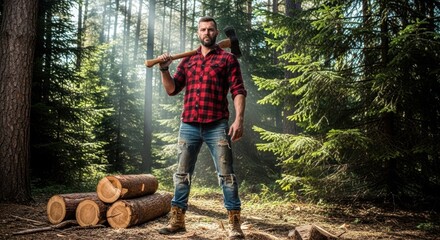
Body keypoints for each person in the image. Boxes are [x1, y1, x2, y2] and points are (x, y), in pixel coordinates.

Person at [156, 16, 247, 239]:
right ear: (198, 33)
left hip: (217, 125)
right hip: (188, 124)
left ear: (216, 33)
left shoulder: (227, 60)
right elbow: (172, 89)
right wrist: (164, 69)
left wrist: (239, 119)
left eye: (210, 29)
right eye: (203, 30)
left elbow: (238, 90)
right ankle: (178, 220)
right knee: (181, 174)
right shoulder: (188, 61)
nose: (206, 33)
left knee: (226, 175)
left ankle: (235, 224)